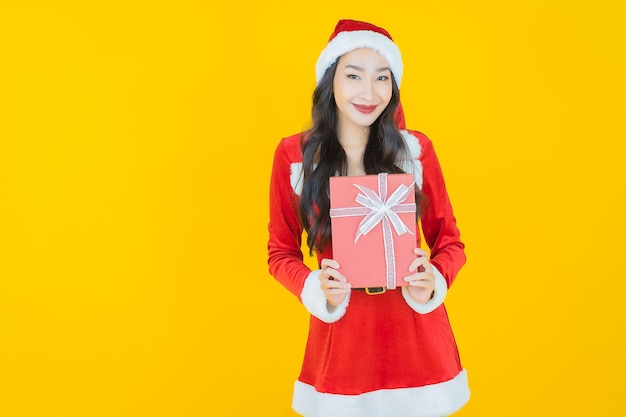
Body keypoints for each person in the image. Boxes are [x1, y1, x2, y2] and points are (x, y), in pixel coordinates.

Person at [267, 19, 469, 417]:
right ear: (331, 80)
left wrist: (434, 281)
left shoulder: (415, 150)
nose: (368, 91)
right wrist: (314, 286)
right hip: (342, 343)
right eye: (354, 75)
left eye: (382, 78)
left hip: (418, 341)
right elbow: (279, 253)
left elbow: (450, 242)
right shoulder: (294, 156)